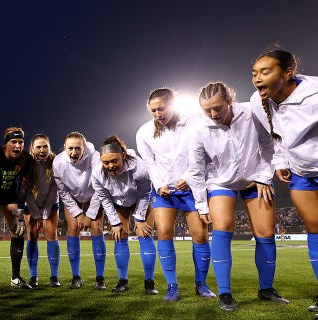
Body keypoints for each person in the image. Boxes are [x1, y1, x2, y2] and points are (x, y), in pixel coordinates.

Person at [189, 81, 288, 311]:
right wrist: (201, 204)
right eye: (207, 110)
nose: (213, 114)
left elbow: (268, 145)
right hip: (221, 181)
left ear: (229, 100)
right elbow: (195, 169)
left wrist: (264, 176)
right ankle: (225, 293)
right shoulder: (198, 128)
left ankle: (266, 289)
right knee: (222, 226)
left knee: (265, 231)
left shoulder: (251, 112)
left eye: (218, 108)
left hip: (255, 179)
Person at [250, 49, 318, 317]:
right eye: (254, 73)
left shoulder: (314, 93)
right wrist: (280, 162)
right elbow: (275, 136)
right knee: (315, 229)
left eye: (265, 72)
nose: (257, 79)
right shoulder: (258, 101)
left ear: (288, 72)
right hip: (302, 173)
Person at [135, 88, 215, 301]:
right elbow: (150, 163)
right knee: (164, 232)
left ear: (173, 104)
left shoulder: (195, 122)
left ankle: (202, 284)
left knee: (200, 235)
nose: (157, 114)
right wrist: (159, 184)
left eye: (162, 108)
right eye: (153, 111)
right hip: (164, 192)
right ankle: (172, 286)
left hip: (191, 189)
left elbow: (203, 154)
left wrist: (188, 177)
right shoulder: (144, 132)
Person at [91, 135, 157, 296]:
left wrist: (140, 218)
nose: (110, 166)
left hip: (140, 198)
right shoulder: (97, 173)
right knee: (120, 235)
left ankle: (149, 281)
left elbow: (145, 192)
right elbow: (105, 199)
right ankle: (123, 281)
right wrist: (114, 222)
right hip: (118, 203)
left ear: (123, 156)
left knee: (144, 233)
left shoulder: (139, 167)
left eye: (114, 161)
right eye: (106, 162)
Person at [0, 127, 33, 290]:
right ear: (6, 144)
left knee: (19, 230)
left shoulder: (26, 160)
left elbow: (22, 189)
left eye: (21, 142)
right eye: (13, 142)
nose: (17, 146)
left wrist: (19, 214)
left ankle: (15, 278)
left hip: (8, 194)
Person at [52, 131, 105, 290]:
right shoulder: (58, 162)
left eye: (77, 148)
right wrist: (79, 214)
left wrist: (89, 215)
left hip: (93, 193)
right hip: (72, 195)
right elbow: (63, 192)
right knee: (74, 228)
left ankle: (100, 277)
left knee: (96, 227)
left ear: (84, 148)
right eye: (70, 149)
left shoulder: (95, 158)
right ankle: (76, 276)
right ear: (64, 148)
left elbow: (100, 188)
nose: (73, 152)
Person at [23, 134, 61, 288]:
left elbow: (54, 190)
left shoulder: (56, 162)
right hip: (30, 204)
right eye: (38, 147)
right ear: (32, 149)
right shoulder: (26, 164)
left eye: (45, 146)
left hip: (50, 203)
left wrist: (45, 214)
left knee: (51, 235)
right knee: (32, 235)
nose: (42, 149)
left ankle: (54, 276)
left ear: (49, 147)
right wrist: (37, 215)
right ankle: (33, 276)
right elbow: (26, 192)